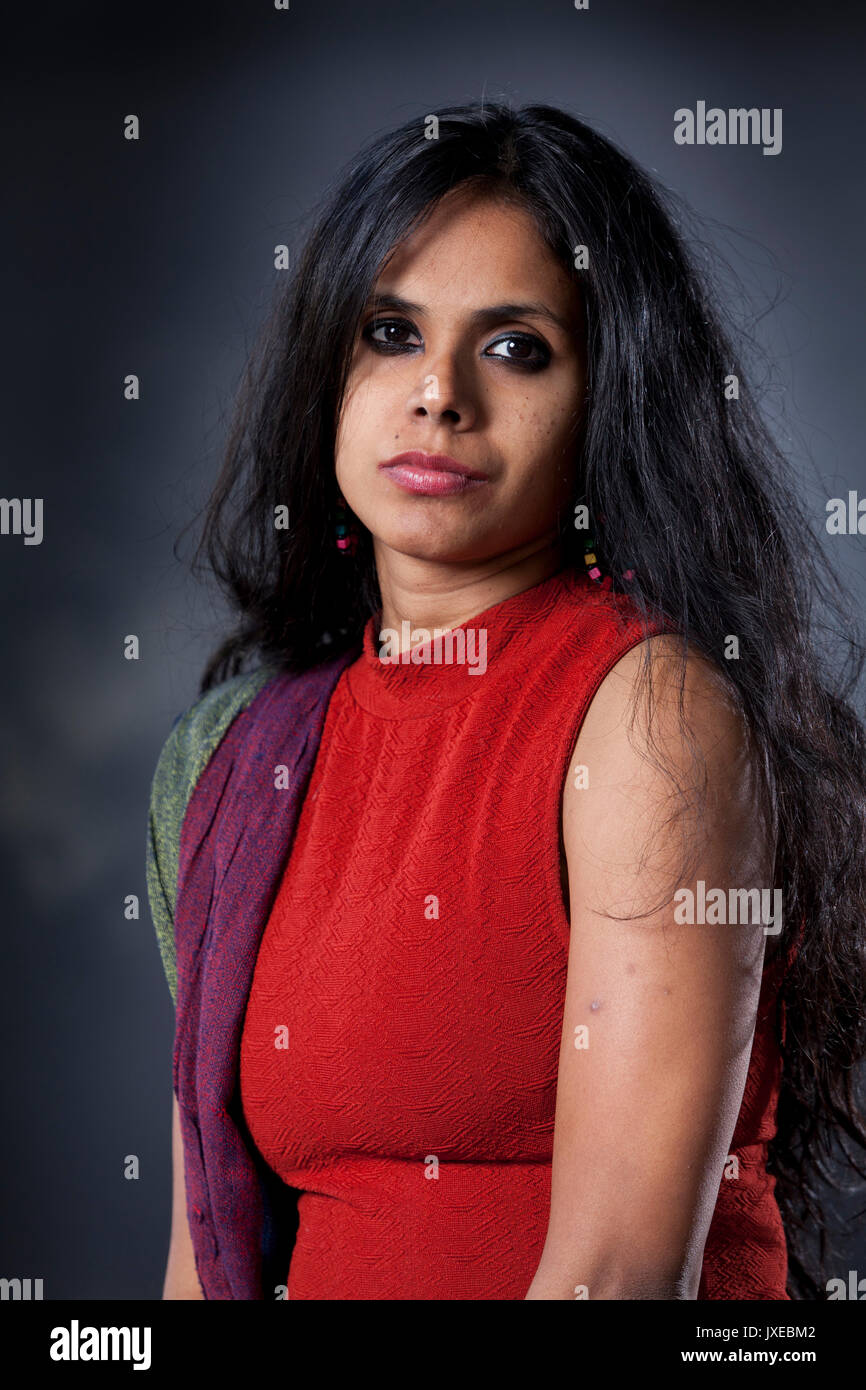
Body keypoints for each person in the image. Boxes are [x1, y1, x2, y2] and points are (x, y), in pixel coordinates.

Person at [149, 99, 866, 1301]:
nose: (436, 393)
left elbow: (618, 1273)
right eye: (388, 332)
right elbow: (194, 1266)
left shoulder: (651, 718)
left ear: (605, 396)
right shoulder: (237, 763)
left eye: (514, 345)